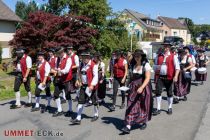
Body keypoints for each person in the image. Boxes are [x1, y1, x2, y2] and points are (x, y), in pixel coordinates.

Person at [121, 49, 153, 134]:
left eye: (138, 56)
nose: (136, 58)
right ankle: (128, 125)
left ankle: (144, 121)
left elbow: (147, 78)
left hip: (143, 87)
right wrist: (127, 85)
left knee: (143, 105)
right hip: (133, 88)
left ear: (142, 56)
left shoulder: (146, 65)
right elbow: (131, 77)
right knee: (131, 104)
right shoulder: (132, 65)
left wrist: (142, 87)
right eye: (135, 56)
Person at [71, 50, 99, 124]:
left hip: (91, 86)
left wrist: (92, 85)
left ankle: (96, 114)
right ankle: (78, 118)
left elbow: (96, 76)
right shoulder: (81, 65)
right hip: (83, 86)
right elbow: (79, 73)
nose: (85, 59)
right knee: (81, 101)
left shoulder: (93, 65)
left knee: (94, 102)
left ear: (89, 57)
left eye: (86, 57)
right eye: (83, 57)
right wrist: (77, 80)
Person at [153, 43, 180, 115]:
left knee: (169, 93)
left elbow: (177, 68)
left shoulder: (173, 56)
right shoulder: (158, 56)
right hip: (160, 77)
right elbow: (155, 66)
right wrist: (156, 69)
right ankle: (158, 108)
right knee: (158, 92)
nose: (165, 47)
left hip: (169, 77)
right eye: (164, 46)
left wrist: (176, 76)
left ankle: (169, 107)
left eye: (167, 46)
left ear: (170, 47)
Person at [51, 47, 73, 117]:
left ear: (62, 52)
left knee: (67, 95)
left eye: (58, 54)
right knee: (56, 94)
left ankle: (70, 110)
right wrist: (54, 70)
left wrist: (58, 71)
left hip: (67, 79)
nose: (57, 55)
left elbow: (66, 70)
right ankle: (59, 110)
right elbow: (56, 67)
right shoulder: (57, 59)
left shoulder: (68, 59)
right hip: (59, 79)